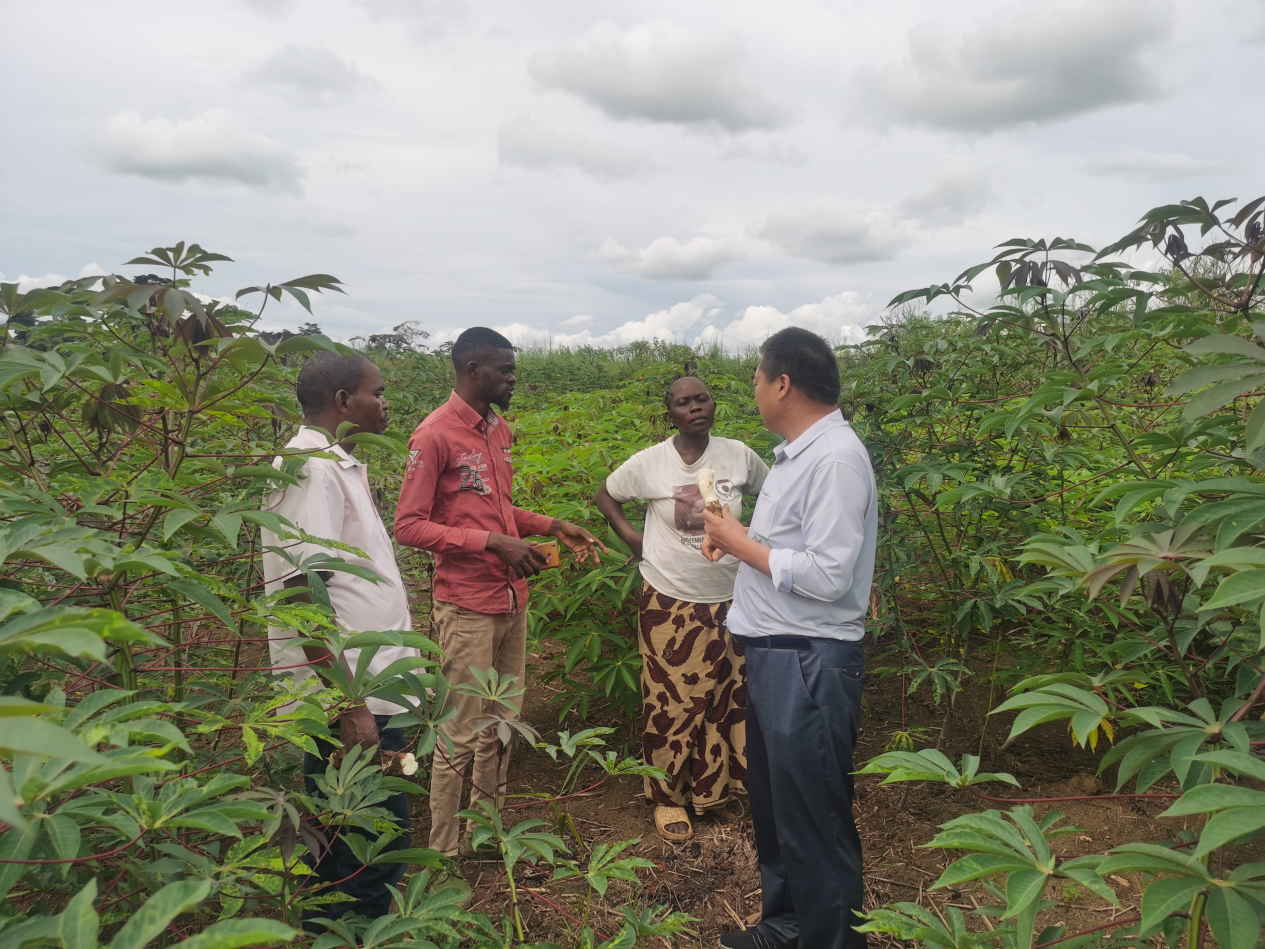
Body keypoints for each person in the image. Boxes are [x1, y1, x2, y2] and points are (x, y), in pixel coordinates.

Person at [394, 326, 608, 858]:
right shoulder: (434, 435)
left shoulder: (499, 429)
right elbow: (410, 526)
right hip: (466, 606)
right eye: (504, 370)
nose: (514, 378)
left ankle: (485, 832)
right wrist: (492, 543)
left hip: (512, 601)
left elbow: (498, 510)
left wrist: (550, 524)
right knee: (461, 733)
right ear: (473, 371)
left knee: (502, 726)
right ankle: (444, 853)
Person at [701, 328, 876, 949]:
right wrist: (736, 532)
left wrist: (738, 542)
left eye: (755, 377)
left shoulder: (833, 458)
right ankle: (787, 927)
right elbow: (789, 551)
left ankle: (829, 940)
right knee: (779, 811)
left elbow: (829, 574)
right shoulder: (798, 453)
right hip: (781, 656)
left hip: (809, 662)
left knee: (814, 818)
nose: (751, 388)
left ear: (782, 384)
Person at [261, 351, 421, 923]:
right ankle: (352, 933)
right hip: (349, 696)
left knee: (350, 829)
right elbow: (305, 595)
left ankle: (340, 929)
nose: (385, 404)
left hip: (369, 689)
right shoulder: (313, 468)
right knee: (367, 836)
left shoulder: (336, 464)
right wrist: (349, 704)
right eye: (377, 392)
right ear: (342, 402)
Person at [595, 376, 768, 842]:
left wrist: (757, 538)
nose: (695, 407)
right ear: (668, 413)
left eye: (702, 399)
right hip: (671, 599)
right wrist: (631, 537)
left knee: (729, 699)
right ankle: (668, 798)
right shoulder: (651, 463)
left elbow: (773, 498)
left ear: (714, 404)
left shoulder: (738, 455)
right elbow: (606, 495)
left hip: (734, 598)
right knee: (673, 705)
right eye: (683, 402)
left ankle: (719, 793)